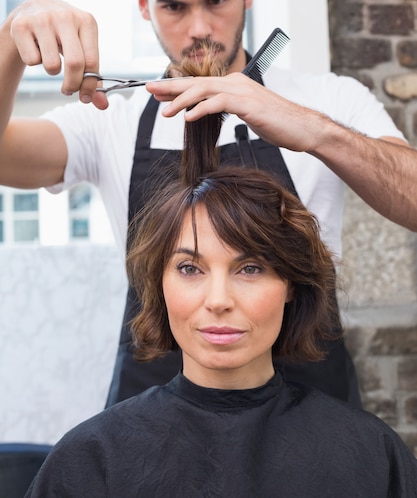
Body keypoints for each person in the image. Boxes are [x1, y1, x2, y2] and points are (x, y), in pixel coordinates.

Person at [1, 0, 417, 407]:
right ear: (142, 3)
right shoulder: (113, 120)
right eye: (174, 6)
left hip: (312, 423)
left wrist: (313, 130)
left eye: (217, 0)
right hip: (154, 429)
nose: (199, 29)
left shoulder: (329, 99)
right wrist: (9, 39)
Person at [25, 98, 417, 497]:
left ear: (290, 286)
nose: (218, 300)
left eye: (250, 268)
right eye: (190, 269)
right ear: (158, 286)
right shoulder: (90, 461)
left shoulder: (371, 456)